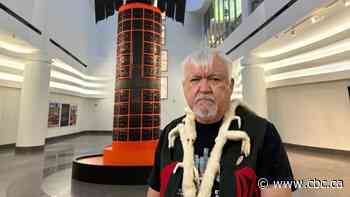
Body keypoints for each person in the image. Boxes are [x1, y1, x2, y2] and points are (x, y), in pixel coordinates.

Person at [147, 49, 296, 197]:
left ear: (230, 85)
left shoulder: (262, 133)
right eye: (195, 79)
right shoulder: (171, 133)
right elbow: (155, 191)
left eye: (215, 79)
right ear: (184, 87)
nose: (204, 89)